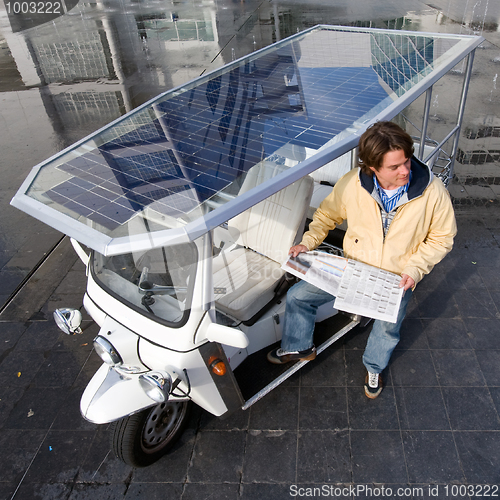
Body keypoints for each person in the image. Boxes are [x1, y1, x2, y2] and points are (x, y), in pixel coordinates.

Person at [267, 121, 457, 399]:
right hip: (353, 268)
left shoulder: (432, 191)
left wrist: (415, 270)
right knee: (298, 297)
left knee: (387, 329)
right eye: (395, 167)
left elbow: (442, 237)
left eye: (406, 161)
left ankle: (374, 367)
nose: (405, 170)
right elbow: (326, 215)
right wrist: (308, 243)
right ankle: (299, 346)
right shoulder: (352, 183)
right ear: (372, 167)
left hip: (398, 279)